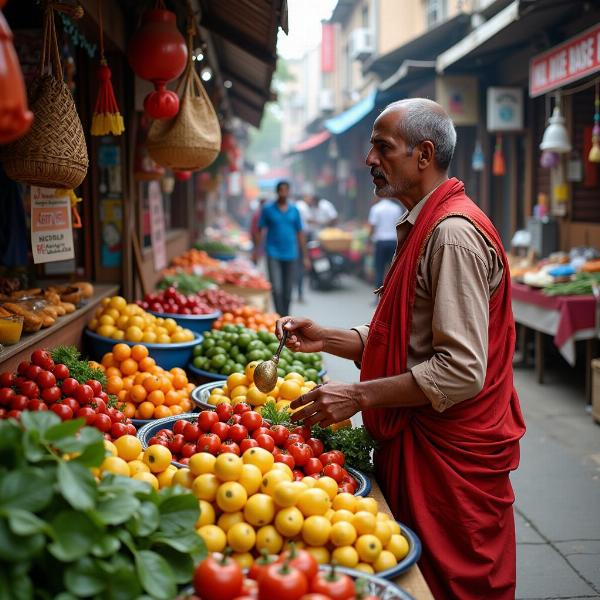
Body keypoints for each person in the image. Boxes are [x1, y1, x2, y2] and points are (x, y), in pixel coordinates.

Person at [276, 99, 526, 600]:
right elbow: (406, 340)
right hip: (423, 445)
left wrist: (360, 396)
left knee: (449, 582)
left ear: (423, 154)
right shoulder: (426, 223)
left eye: (381, 147)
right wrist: (328, 338)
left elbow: (459, 371)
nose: (369, 159)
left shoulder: (452, 235)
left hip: (451, 457)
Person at [253, 181, 309, 316]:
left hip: (291, 253)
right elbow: (259, 230)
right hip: (273, 253)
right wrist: (256, 250)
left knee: (288, 290)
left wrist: (305, 256)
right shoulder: (267, 209)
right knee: (277, 288)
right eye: (281, 190)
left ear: (289, 192)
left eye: (286, 190)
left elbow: (300, 233)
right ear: (277, 192)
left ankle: (286, 317)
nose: (283, 193)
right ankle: (279, 316)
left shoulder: (294, 210)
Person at [367, 196, 406, 290]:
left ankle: (378, 296)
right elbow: (400, 224)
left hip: (380, 242)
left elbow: (372, 226)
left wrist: (369, 240)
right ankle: (392, 293)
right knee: (392, 269)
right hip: (393, 241)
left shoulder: (376, 208)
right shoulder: (396, 208)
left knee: (379, 269)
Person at [249, 197, 267, 265]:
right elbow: (257, 230)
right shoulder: (259, 214)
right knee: (257, 255)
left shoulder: (259, 214)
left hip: (260, 238)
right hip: (258, 237)